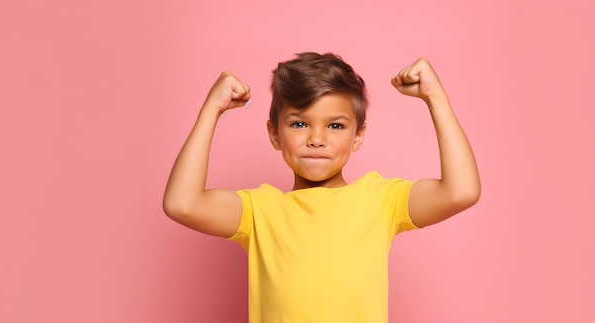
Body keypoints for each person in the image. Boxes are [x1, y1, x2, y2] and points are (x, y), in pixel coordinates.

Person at [163, 52, 481, 322]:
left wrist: (435, 97)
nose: (317, 139)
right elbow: (182, 204)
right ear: (275, 134)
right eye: (299, 124)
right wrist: (211, 110)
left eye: (335, 125)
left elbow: (461, 191)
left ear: (358, 135)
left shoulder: (382, 200)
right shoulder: (258, 211)